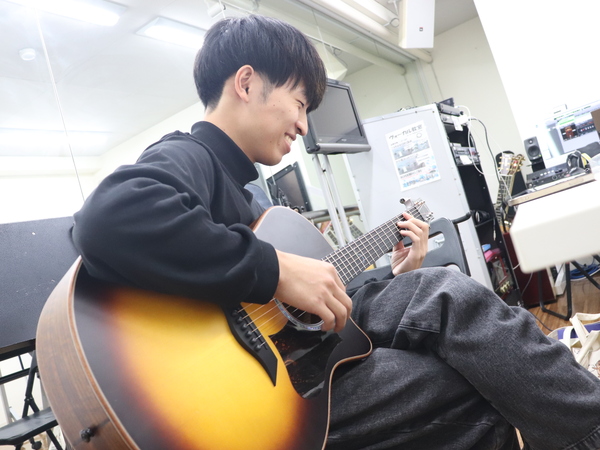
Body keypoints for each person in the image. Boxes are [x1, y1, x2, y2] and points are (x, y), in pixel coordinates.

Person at [71, 14, 600, 450]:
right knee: (464, 387)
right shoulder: (189, 156)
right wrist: (277, 269)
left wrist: (394, 276)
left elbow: (295, 304)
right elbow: (108, 219)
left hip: (302, 355)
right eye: (300, 103)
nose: (304, 126)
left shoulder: (251, 197)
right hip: (253, 396)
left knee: (445, 290)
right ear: (247, 83)